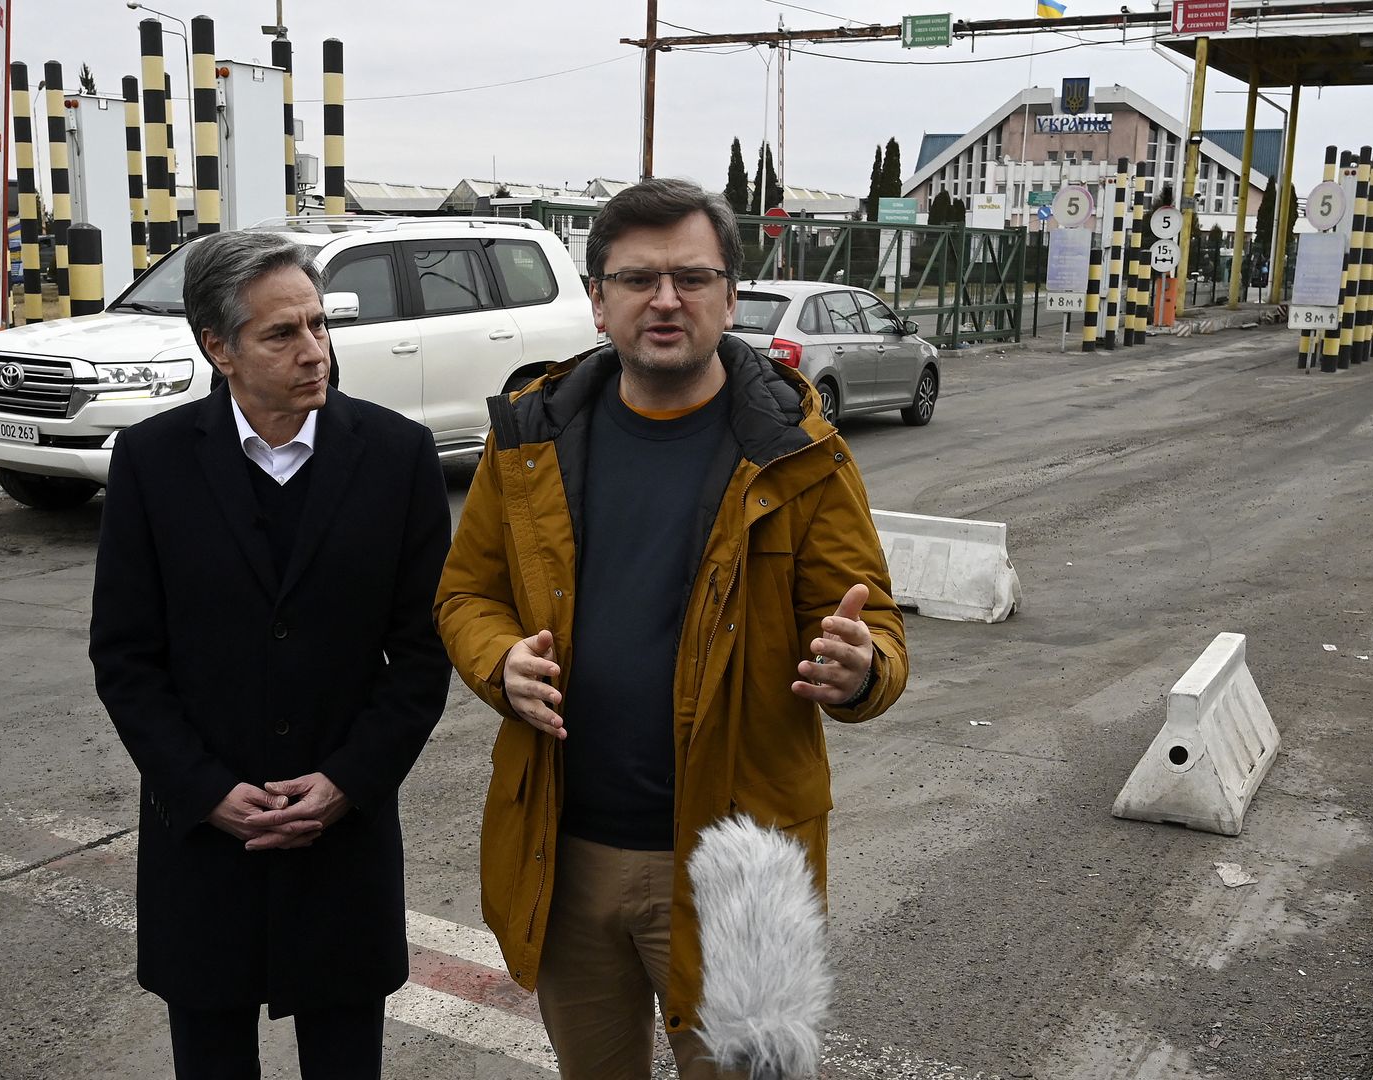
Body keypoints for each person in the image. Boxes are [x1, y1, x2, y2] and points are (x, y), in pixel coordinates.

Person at [436, 177, 908, 1079]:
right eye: (637, 279)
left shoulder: (800, 453)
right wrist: (500, 659)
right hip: (566, 850)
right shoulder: (527, 438)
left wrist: (861, 669)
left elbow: (873, 624)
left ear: (731, 296)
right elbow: (465, 596)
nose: (665, 300)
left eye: (692, 278)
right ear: (598, 299)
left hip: (747, 862)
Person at [90, 230, 452, 1079]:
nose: (313, 351)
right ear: (217, 347)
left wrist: (349, 783)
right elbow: (126, 659)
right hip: (205, 845)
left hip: (342, 841)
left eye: (319, 326)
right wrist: (204, 790)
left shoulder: (396, 457)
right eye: (281, 334)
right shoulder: (152, 462)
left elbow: (427, 654)